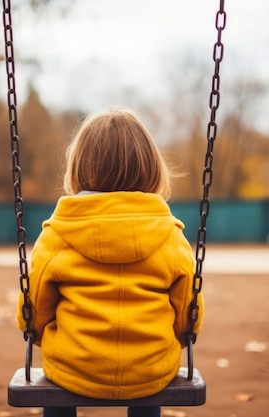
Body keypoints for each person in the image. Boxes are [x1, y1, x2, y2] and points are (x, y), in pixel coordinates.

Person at [17, 108, 204, 417]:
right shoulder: (171, 236)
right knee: (149, 382)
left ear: (78, 168)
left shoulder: (56, 235)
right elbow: (187, 317)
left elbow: (33, 314)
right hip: (151, 369)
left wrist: (37, 333)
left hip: (73, 367)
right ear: (151, 167)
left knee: (56, 383)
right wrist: (180, 338)